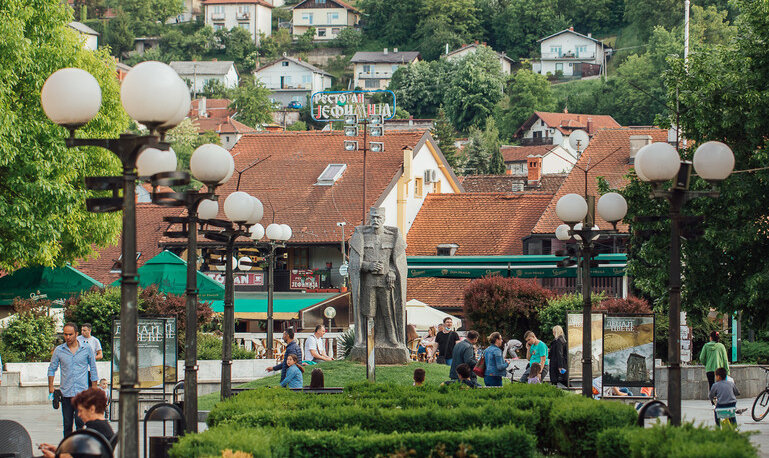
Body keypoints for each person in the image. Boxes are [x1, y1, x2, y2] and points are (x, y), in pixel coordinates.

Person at [48, 322, 98, 437]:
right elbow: (52, 369)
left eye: (70, 334)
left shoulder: (86, 349)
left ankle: (80, 449)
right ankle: (68, 450)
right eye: (65, 335)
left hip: (82, 393)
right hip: (66, 393)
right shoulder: (59, 350)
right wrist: (51, 387)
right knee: (67, 424)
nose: (68, 337)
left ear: (76, 334)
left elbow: (93, 369)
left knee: (80, 423)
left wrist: (94, 389)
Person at [38, 387, 114, 458]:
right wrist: (57, 450)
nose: (79, 414)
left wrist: (54, 456)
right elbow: (80, 454)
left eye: (81, 410)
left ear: (92, 409)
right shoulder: (102, 427)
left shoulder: (94, 430)